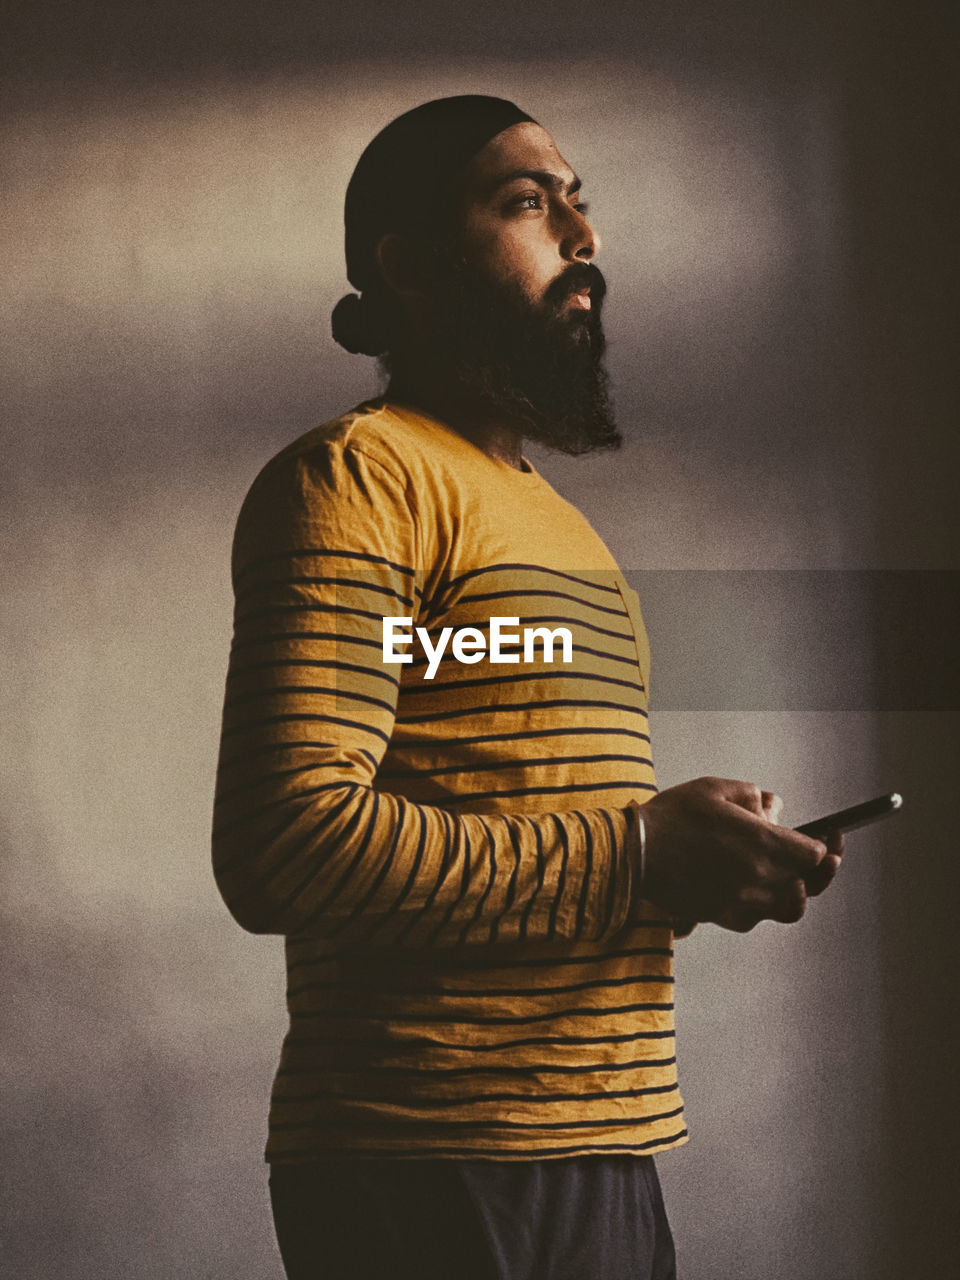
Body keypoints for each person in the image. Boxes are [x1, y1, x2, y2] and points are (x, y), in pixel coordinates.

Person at [212, 95, 843, 1280]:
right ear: (412, 264)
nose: (580, 235)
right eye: (524, 202)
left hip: (606, 1143)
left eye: (578, 201)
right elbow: (283, 844)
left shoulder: (556, 523)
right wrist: (639, 854)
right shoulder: (355, 479)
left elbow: (535, 822)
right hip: (428, 1158)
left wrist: (699, 862)